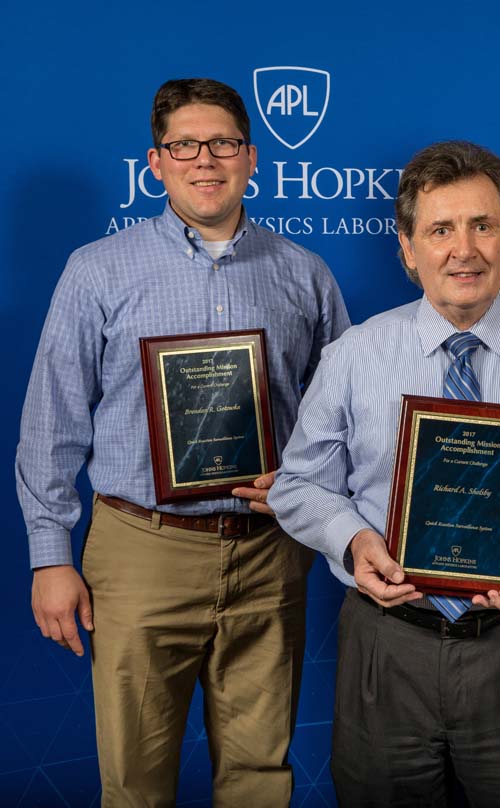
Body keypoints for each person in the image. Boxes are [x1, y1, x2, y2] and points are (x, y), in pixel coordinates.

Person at [268, 140, 500, 807]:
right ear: (408, 249)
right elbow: (299, 486)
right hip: (389, 645)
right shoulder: (354, 356)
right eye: (440, 229)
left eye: (482, 226)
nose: (463, 249)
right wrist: (356, 542)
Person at [16, 78, 350, 805]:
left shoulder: (305, 275)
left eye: (224, 143)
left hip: (269, 553)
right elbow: (53, 420)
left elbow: (344, 421)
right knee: (135, 780)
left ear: (252, 157)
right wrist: (49, 555)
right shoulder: (97, 270)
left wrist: (302, 481)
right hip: (141, 552)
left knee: (261, 774)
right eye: (184, 145)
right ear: (155, 161)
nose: (206, 159)